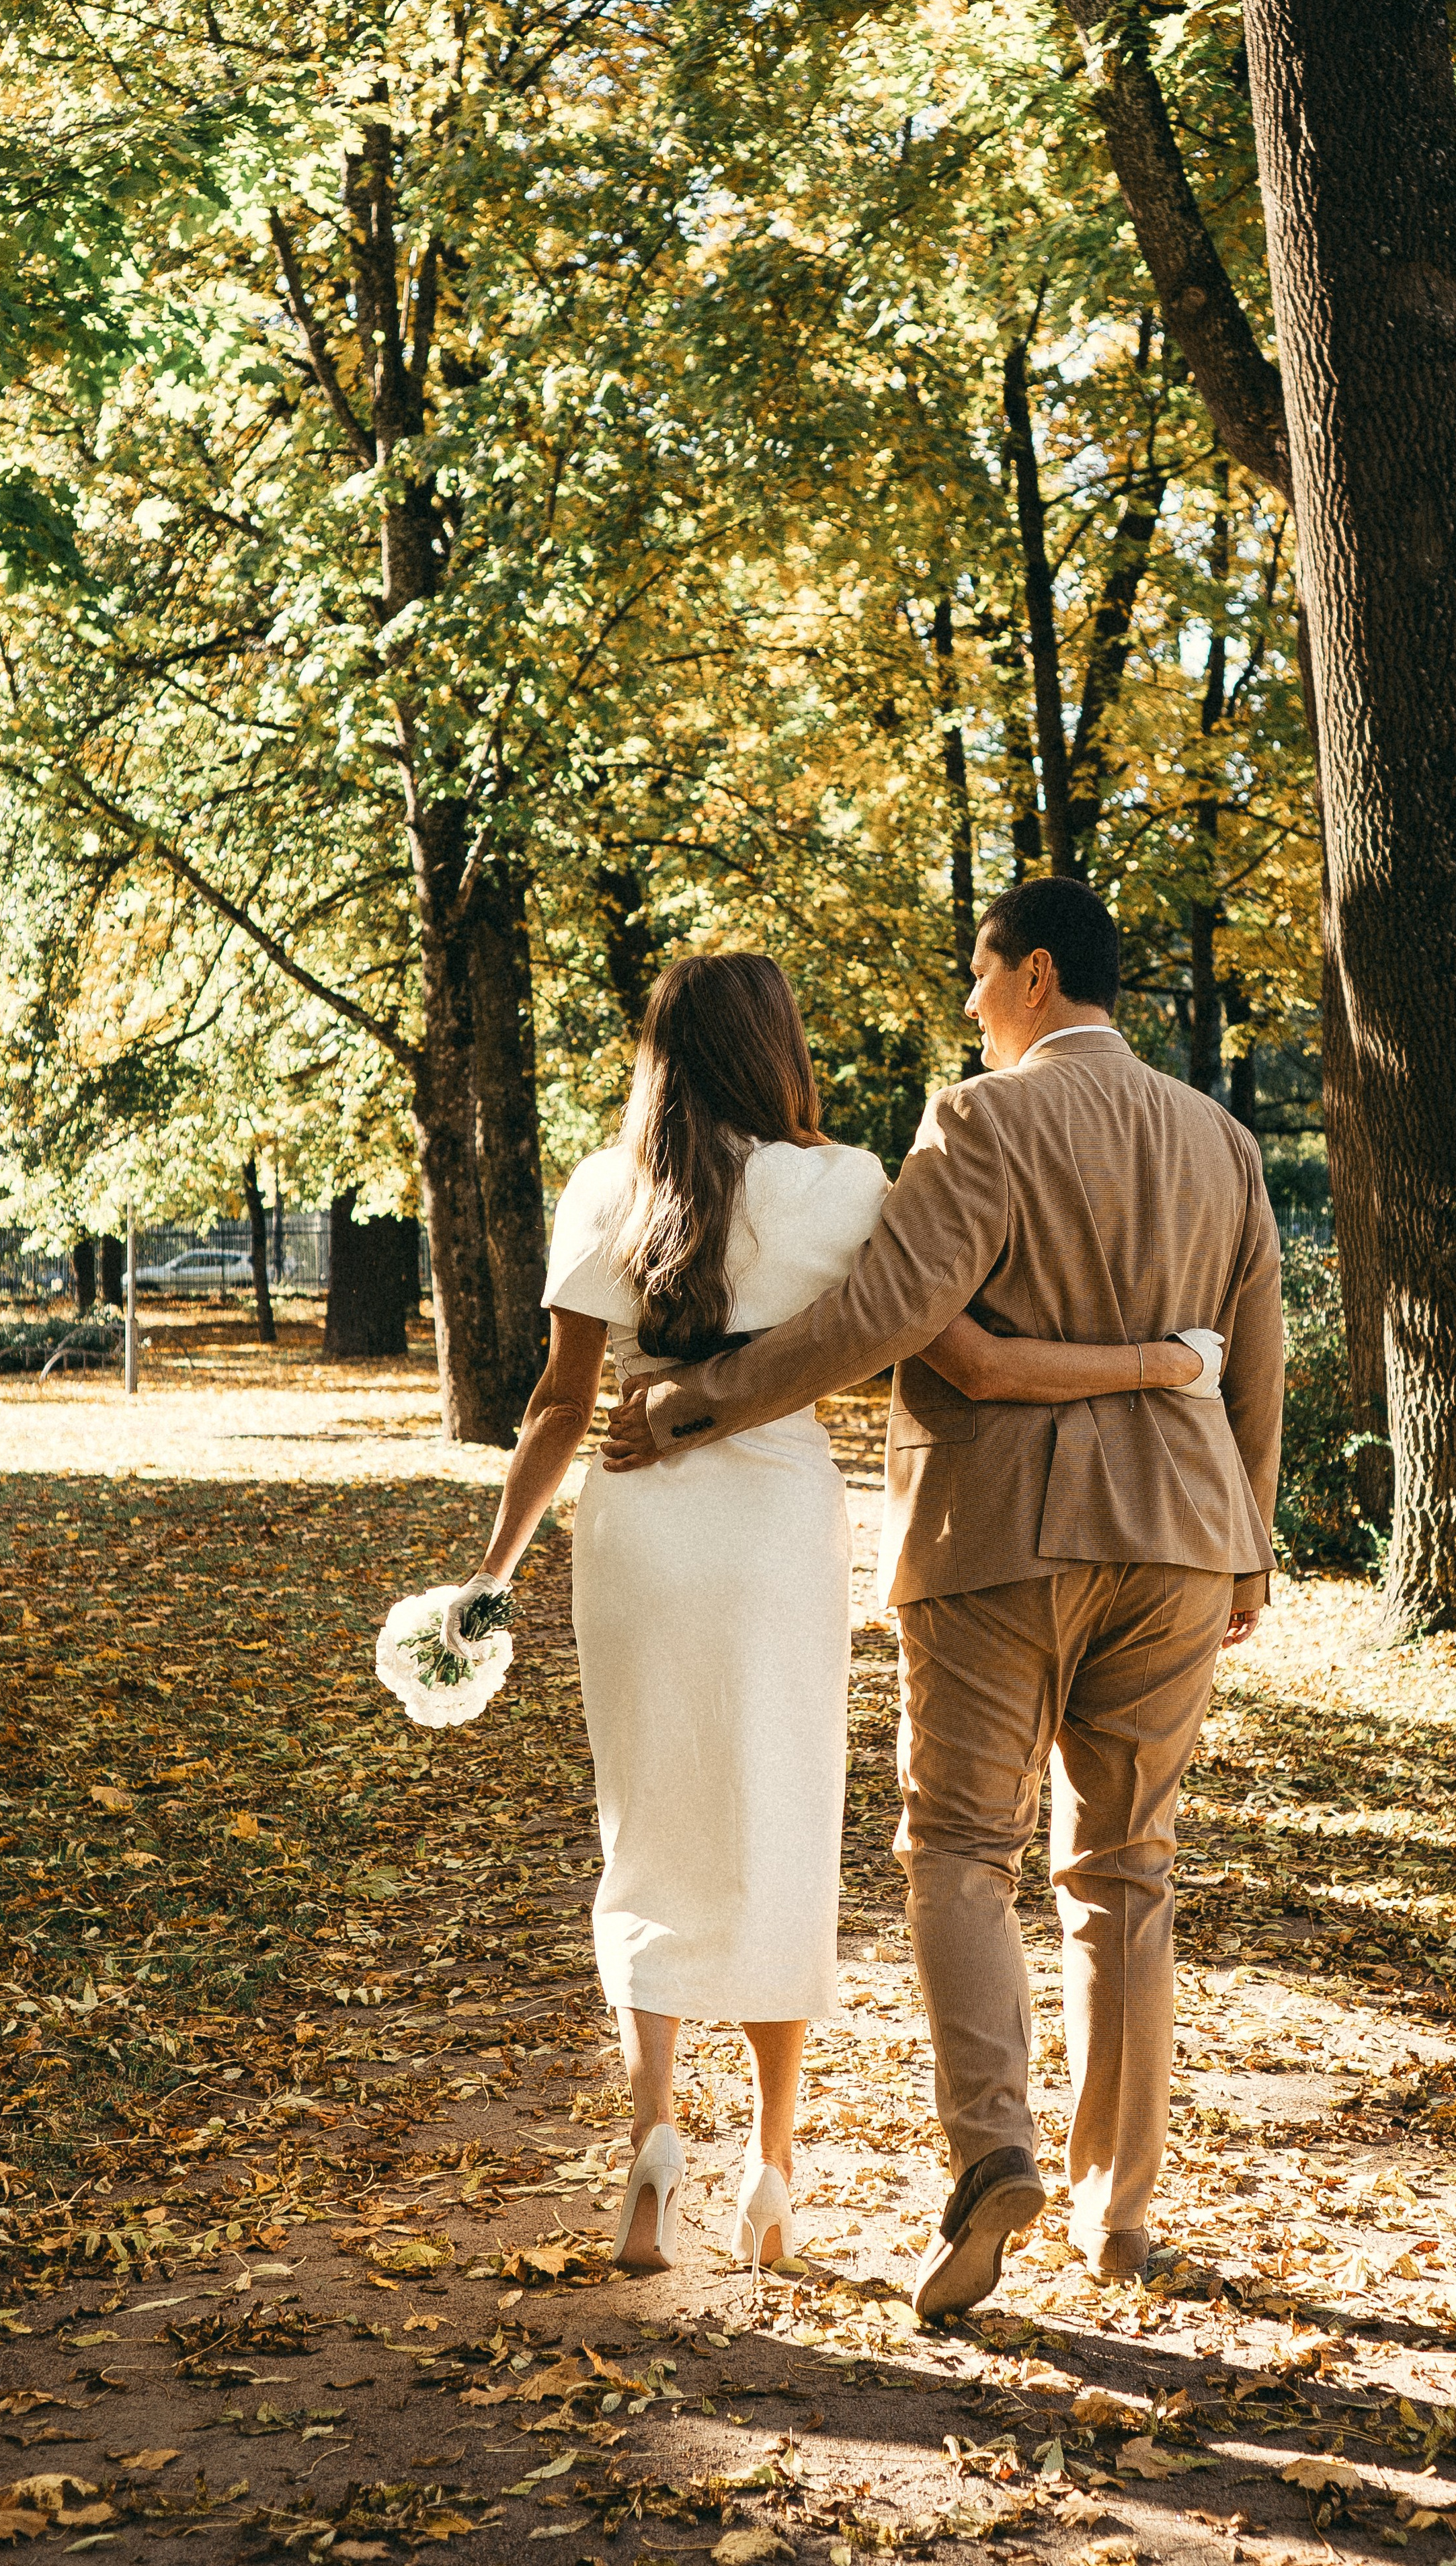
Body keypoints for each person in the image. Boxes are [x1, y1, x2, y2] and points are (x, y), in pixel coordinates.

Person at [441, 947, 1229, 2283]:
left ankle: (648, 2151)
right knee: (781, 1824)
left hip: (636, 1534)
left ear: (658, 1052)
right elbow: (959, 1351)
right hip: (774, 1530)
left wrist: (494, 1569)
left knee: (646, 1829)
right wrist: (1162, 1366)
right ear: (778, 1050)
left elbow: (558, 1408)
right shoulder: (848, 1185)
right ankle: (770, 2164)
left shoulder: (603, 1187)